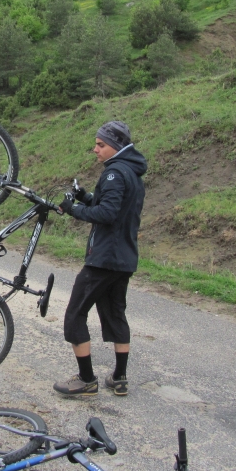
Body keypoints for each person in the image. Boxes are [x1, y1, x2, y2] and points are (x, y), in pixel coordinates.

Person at [54, 121, 146, 397]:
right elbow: (115, 205)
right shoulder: (132, 173)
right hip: (125, 259)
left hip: (104, 259)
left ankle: (86, 380)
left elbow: (107, 214)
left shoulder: (114, 173)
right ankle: (119, 378)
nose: (95, 149)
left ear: (116, 146)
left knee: (74, 316)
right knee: (116, 315)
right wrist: (86, 197)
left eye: (101, 145)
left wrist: (73, 208)